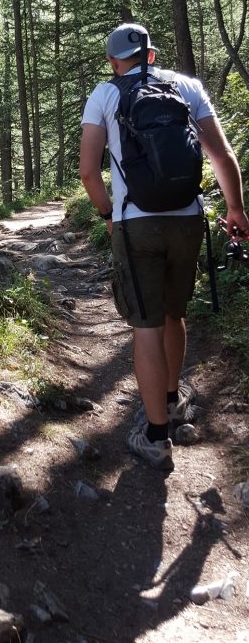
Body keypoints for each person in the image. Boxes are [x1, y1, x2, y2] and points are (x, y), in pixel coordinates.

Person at [80, 23, 249, 470]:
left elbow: (88, 172)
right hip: (188, 218)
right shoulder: (186, 87)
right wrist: (235, 209)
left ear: (116, 61)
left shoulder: (105, 94)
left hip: (137, 223)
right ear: (151, 55)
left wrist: (108, 216)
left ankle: (155, 435)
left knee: (146, 326)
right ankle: (173, 402)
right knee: (175, 314)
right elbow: (222, 156)